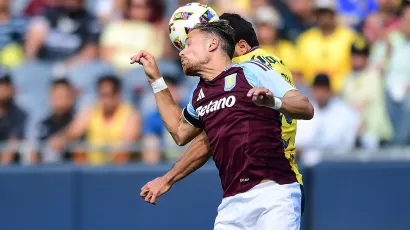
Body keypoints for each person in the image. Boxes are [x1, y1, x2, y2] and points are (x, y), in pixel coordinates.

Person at [133, 20, 313, 229]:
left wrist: (273, 101)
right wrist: (156, 79)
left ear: (212, 44)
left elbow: (306, 107)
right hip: (232, 204)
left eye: (189, 44)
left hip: (273, 194)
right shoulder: (200, 94)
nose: (182, 52)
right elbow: (180, 132)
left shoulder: (251, 71)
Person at [50, 75, 142, 165]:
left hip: (119, 169)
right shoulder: (91, 111)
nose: (105, 100)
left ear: (118, 95)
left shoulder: (130, 114)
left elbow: (126, 147)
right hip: (93, 167)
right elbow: (73, 132)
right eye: (102, 95)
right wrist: (60, 139)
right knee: (79, 150)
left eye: (108, 95)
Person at [296, 74, 360, 166]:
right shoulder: (302, 110)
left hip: (336, 163)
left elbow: (348, 142)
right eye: (317, 90)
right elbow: (298, 142)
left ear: (330, 92)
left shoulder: (344, 111)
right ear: (312, 91)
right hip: (307, 165)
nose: (320, 94)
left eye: (324, 90)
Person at [343, 38, 393, 149]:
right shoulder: (347, 79)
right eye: (354, 55)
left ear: (367, 57)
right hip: (354, 136)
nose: (357, 59)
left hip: (377, 135)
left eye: (361, 56)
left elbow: (388, 54)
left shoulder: (375, 74)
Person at [36, 78, 76, 163]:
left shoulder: (77, 123)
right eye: (56, 96)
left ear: (71, 97)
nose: (59, 100)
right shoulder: (42, 124)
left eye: (63, 96)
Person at [0, 71, 27, 165]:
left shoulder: (19, 114)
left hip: (10, 168)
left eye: (5, 85)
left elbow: (13, 143)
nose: (2, 89)